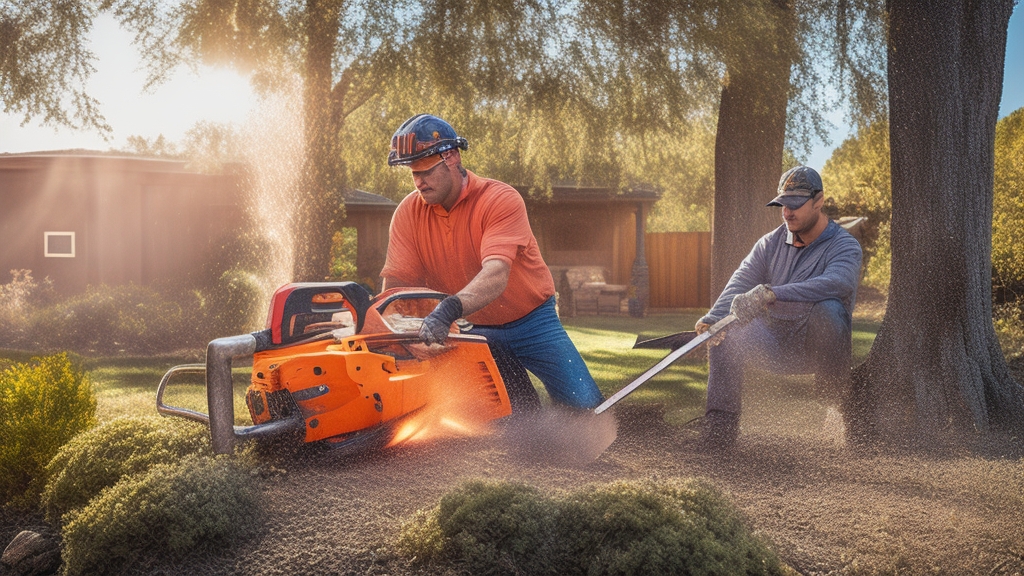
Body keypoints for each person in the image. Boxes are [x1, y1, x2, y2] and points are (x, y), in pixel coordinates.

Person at [379, 113, 604, 411]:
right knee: (506, 417)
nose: (419, 182)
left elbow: (496, 273)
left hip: (532, 322)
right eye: (413, 173)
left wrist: (446, 310)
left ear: (452, 157)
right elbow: (397, 285)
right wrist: (385, 327)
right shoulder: (408, 213)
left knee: (587, 407)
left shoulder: (499, 199)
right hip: (470, 330)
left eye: (426, 171)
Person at [694, 165, 862, 448]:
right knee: (727, 332)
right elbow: (741, 280)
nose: (787, 212)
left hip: (817, 350)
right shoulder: (769, 244)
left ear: (818, 201)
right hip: (772, 343)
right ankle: (719, 432)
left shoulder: (844, 246)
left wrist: (772, 293)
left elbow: (838, 282)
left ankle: (836, 401)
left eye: (796, 205)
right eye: (783, 204)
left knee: (830, 309)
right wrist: (713, 319)